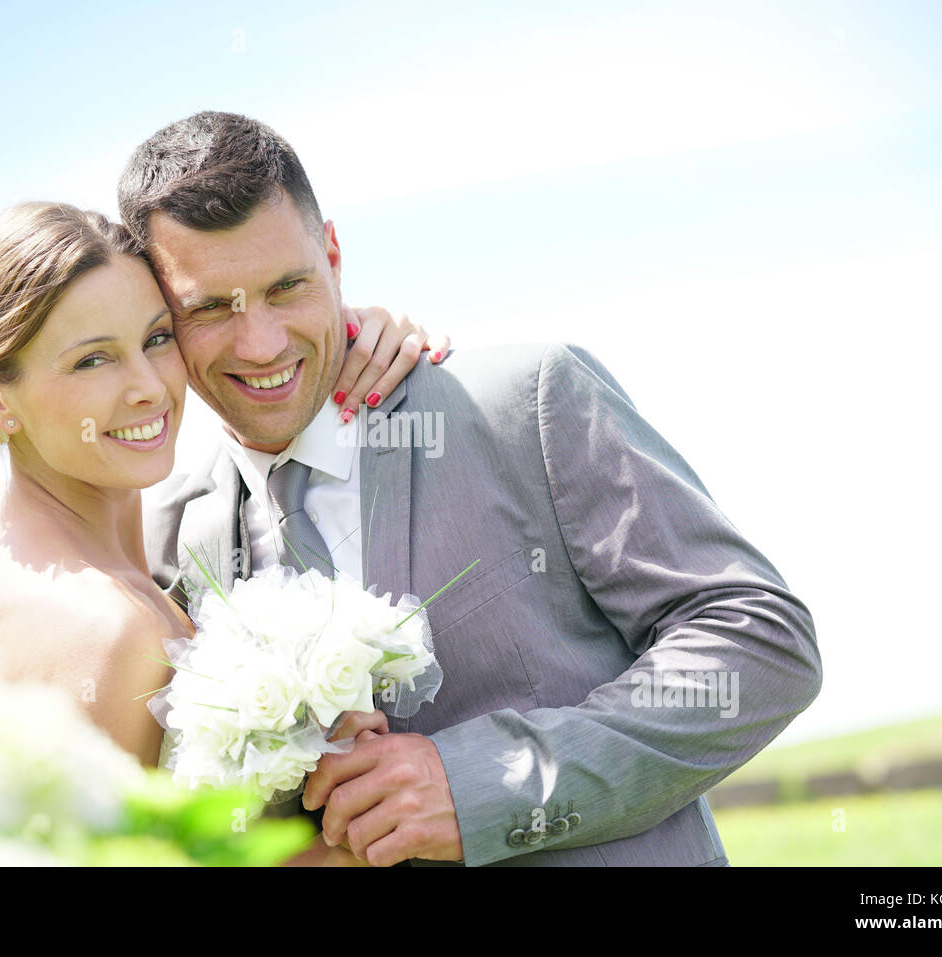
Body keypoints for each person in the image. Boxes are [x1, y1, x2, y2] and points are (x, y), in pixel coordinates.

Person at [125, 111, 824, 867]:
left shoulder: (522, 400)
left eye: (286, 286)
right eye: (210, 307)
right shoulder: (165, 544)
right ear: (161, 318)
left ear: (331, 255)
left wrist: (487, 784)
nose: (260, 344)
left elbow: (759, 640)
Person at [0, 201, 441, 778]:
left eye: (157, 337)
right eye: (92, 360)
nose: (149, 388)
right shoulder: (116, 633)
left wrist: (338, 332)